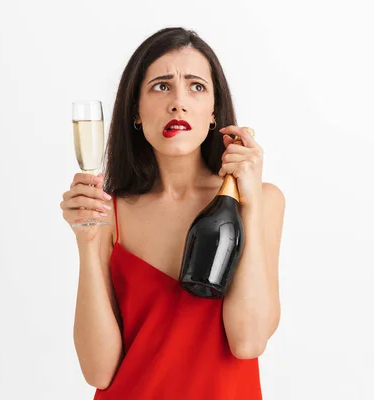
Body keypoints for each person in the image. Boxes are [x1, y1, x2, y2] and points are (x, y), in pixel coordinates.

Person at [60, 27, 285, 399]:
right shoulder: (108, 213)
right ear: (135, 110)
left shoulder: (262, 200)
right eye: (161, 86)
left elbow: (248, 341)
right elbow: (98, 371)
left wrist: (251, 204)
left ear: (213, 112)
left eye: (196, 86)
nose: (178, 102)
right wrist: (88, 241)